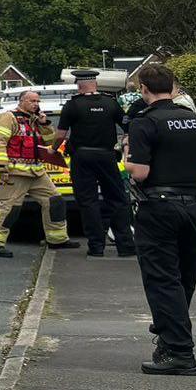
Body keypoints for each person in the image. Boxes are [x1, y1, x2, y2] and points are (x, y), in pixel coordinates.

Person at [125, 62, 196, 376]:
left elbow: (141, 172)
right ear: (173, 87)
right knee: (183, 279)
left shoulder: (144, 123)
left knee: (162, 279)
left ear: (143, 89)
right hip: (193, 205)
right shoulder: (195, 120)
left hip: (159, 208)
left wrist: (127, 160)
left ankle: (180, 352)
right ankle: (169, 338)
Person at [0, 88, 73, 257]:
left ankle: (57, 239)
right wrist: (2, 168)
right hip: (15, 172)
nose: (36, 104)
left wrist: (45, 124)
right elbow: (0, 142)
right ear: (22, 101)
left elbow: (49, 142)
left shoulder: (35, 120)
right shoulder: (8, 117)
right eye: (32, 101)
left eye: (38, 101)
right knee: (9, 208)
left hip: (36, 172)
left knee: (55, 201)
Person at [57, 69, 135, 258]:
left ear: (79, 85)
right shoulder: (111, 103)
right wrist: (126, 145)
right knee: (117, 199)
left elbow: (60, 135)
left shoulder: (72, 106)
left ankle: (96, 246)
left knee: (88, 201)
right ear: (96, 84)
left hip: (82, 158)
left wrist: (52, 149)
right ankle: (125, 245)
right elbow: (128, 126)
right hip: (107, 156)